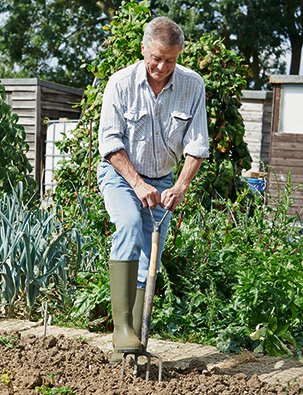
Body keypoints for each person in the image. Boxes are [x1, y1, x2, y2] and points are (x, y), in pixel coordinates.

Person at [96, 16, 209, 363]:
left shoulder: (193, 85)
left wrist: (180, 185)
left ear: (179, 55)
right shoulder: (120, 84)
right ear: (143, 48)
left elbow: (197, 144)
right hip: (121, 174)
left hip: (162, 182)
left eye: (170, 60)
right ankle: (122, 328)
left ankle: (132, 344)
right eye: (156, 58)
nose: (162, 67)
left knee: (150, 257)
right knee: (129, 224)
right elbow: (111, 142)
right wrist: (137, 182)